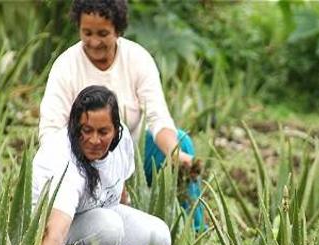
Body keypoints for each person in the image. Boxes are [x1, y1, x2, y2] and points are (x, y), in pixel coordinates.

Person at [39, 0, 203, 230]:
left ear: (118, 30)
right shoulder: (66, 66)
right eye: (87, 33)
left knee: (182, 141)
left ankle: (192, 234)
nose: (94, 42)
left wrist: (176, 154)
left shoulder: (137, 59)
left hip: (133, 155)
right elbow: (51, 131)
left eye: (103, 33)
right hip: (83, 161)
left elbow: (159, 118)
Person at [32, 85, 171, 245]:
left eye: (103, 132)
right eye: (86, 130)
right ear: (74, 127)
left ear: (116, 130)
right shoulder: (63, 159)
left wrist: (124, 241)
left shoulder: (122, 142)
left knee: (158, 235)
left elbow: (119, 187)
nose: (95, 140)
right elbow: (54, 232)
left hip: (95, 229)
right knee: (109, 226)